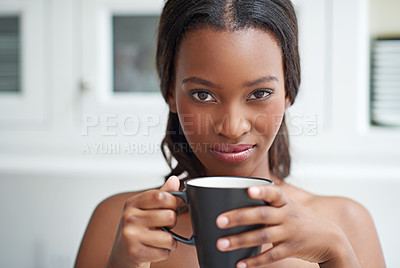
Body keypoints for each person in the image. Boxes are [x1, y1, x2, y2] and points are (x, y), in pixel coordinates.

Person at [74, 0, 386, 267]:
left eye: (260, 93)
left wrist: (337, 255)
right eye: (202, 95)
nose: (232, 127)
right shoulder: (119, 225)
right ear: (170, 92)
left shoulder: (345, 224)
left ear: (289, 90)